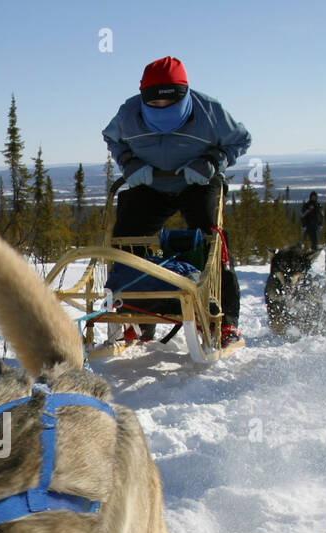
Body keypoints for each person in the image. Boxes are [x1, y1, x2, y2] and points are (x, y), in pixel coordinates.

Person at [103, 56, 252, 344]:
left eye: (168, 103)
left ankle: (225, 322)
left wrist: (212, 160)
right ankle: (138, 315)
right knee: (126, 240)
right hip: (150, 183)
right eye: (155, 103)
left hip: (196, 182)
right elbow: (113, 139)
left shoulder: (210, 111)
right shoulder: (128, 113)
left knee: (212, 241)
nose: (161, 108)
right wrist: (129, 163)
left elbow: (240, 140)